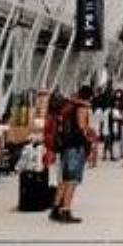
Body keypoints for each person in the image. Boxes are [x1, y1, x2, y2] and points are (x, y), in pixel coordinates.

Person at [51, 85, 93, 224]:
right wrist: (89, 138)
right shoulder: (82, 108)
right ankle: (66, 210)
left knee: (64, 178)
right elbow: (82, 127)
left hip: (65, 145)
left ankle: (56, 208)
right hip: (75, 146)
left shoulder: (69, 106)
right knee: (72, 180)